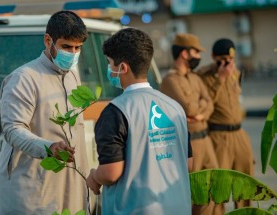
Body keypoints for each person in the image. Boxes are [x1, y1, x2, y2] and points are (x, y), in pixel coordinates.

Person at [86, 28, 192, 215]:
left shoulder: (115, 112)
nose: (109, 69)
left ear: (123, 68)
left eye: (110, 64)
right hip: (179, 208)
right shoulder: (174, 107)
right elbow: (188, 164)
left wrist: (94, 176)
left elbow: (111, 173)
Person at [0, 11, 89, 214]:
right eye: (66, 47)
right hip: (32, 191)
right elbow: (12, 129)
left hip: (69, 187)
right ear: (48, 41)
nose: (72, 54)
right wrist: (48, 147)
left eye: (77, 48)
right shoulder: (24, 78)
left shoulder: (73, 76)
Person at [160, 33, 220, 215]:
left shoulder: (195, 77)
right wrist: (198, 110)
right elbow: (189, 108)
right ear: (184, 54)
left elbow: (209, 103)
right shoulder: (170, 80)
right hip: (190, 143)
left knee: (213, 188)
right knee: (193, 192)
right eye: (196, 52)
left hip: (205, 140)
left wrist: (200, 113)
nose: (199, 57)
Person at [197, 38, 254, 211]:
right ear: (213, 57)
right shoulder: (204, 76)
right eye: (222, 59)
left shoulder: (235, 72)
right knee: (219, 187)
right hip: (219, 136)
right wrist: (220, 79)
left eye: (230, 59)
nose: (226, 63)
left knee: (246, 182)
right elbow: (206, 104)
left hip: (239, 133)